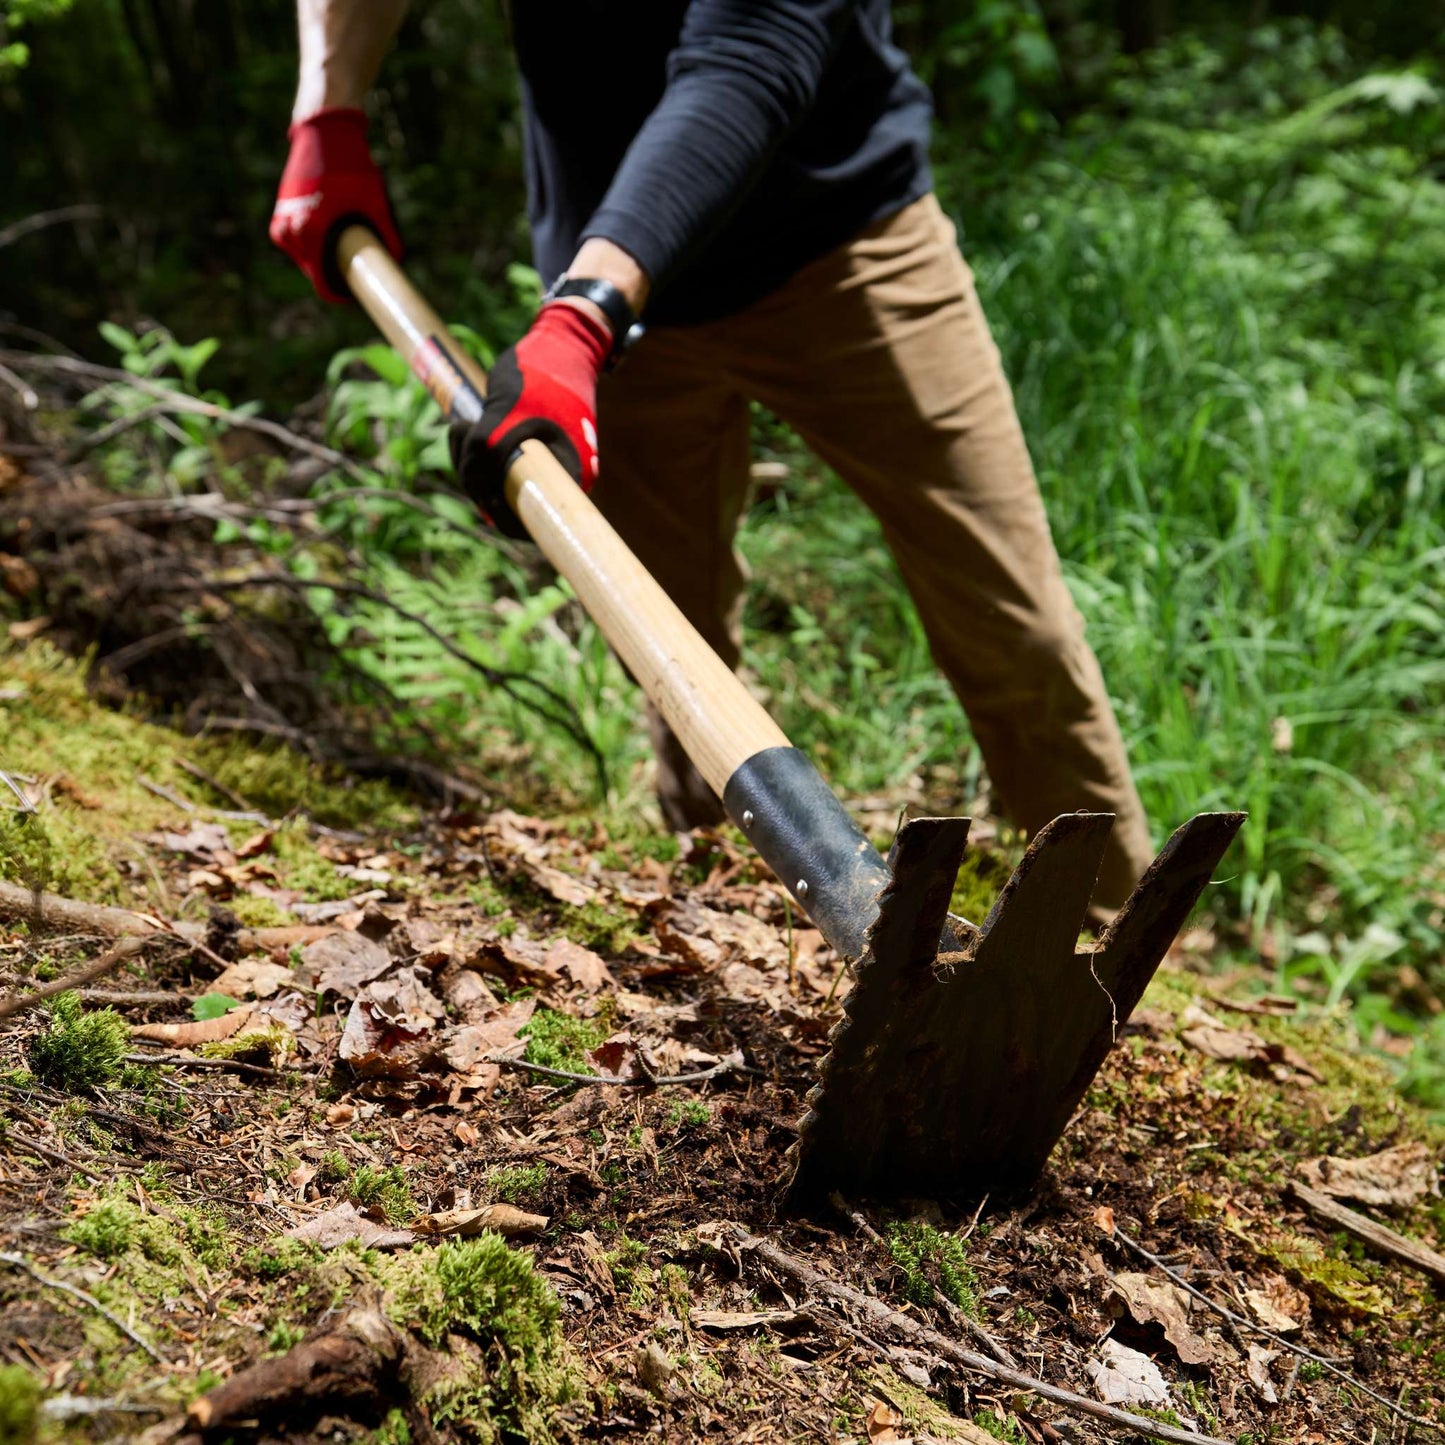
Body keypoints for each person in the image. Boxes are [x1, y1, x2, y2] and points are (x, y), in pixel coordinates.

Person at [269, 0, 1155, 913]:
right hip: (615, 284)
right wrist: (326, 112)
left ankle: (1104, 943)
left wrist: (582, 315)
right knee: (676, 654)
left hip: (845, 241)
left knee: (1013, 625)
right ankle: (726, 910)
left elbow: (755, 48)